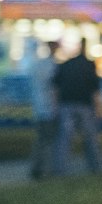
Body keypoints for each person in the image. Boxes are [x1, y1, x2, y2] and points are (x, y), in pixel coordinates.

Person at [53, 38, 102, 174]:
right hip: (84, 104)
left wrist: (55, 107)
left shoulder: (66, 64)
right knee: (90, 137)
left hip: (67, 104)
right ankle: (95, 166)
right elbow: (95, 89)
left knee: (65, 138)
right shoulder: (89, 65)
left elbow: (56, 87)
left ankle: (60, 168)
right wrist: (99, 109)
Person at [27, 38, 60, 179]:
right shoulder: (52, 66)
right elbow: (53, 88)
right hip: (48, 108)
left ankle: (37, 168)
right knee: (48, 140)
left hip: (39, 107)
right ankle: (43, 169)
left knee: (41, 139)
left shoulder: (37, 64)